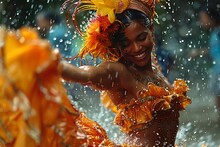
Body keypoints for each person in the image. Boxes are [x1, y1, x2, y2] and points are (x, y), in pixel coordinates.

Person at [59, 0, 191, 146]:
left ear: (151, 31)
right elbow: (86, 74)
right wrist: (52, 64)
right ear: (117, 46)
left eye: (141, 38)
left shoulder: (153, 66)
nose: (136, 48)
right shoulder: (119, 72)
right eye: (126, 44)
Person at [198, 1, 220, 121]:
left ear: (212, 17)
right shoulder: (216, 31)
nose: (201, 22)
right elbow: (215, 48)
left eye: (203, 18)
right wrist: (199, 52)